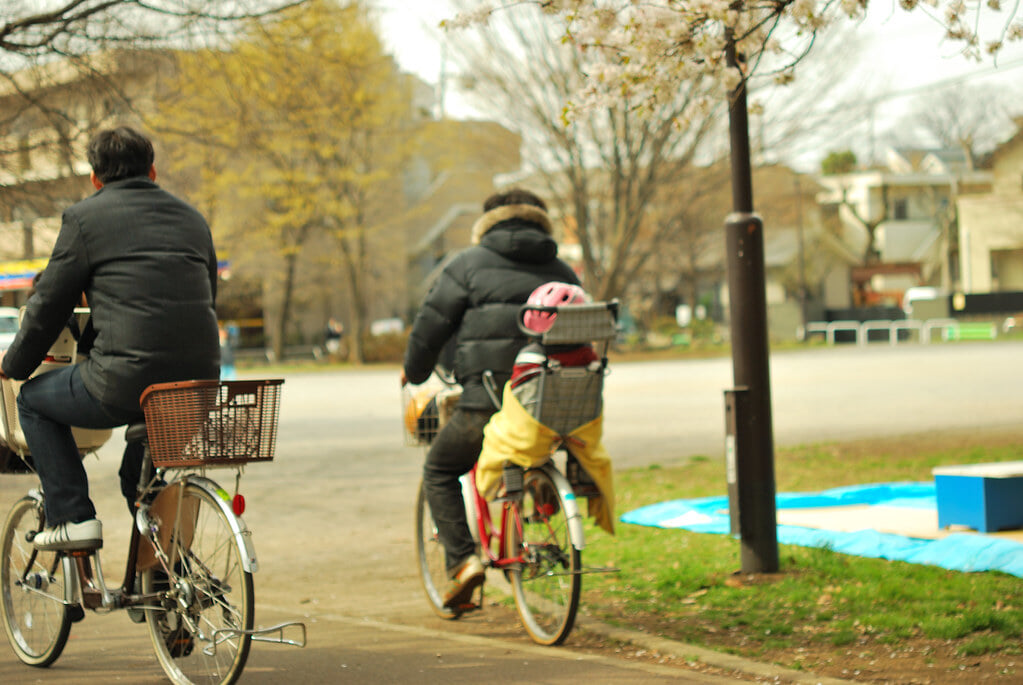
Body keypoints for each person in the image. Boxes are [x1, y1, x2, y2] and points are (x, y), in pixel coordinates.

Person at [0, 126, 220, 551]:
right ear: (153, 172)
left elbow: (49, 305)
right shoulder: (193, 218)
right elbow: (207, 297)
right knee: (137, 480)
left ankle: (73, 517)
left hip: (124, 382)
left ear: (95, 179)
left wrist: (13, 365)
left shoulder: (84, 218)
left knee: (33, 402)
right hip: (196, 384)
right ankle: (167, 579)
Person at [402, 188, 580, 609]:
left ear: (489, 222)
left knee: (440, 469)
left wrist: (416, 372)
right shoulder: (564, 272)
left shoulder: (465, 266)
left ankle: (464, 562)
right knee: (534, 437)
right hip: (555, 405)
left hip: (488, 400)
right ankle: (541, 487)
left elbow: (431, 327)